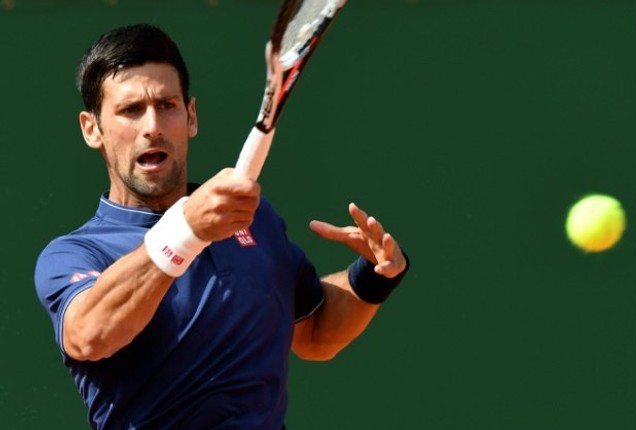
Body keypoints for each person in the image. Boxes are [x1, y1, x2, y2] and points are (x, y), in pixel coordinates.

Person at [33, 23, 409, 430]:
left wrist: (372, 278)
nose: (152, 126)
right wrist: (186, 229)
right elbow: (89, 334)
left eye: (167, 105)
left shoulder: (253, 218)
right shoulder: (74, 254)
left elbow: (314, 333)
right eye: (130, 110)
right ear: (92, 129)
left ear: (190, 116)